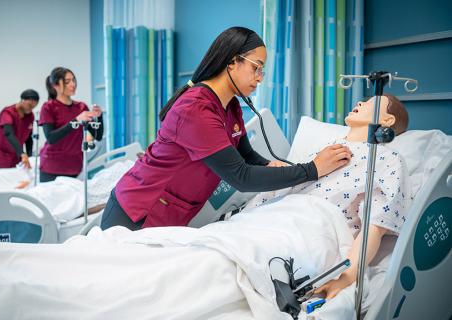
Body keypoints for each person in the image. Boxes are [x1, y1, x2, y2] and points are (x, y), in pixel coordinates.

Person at [101, 27, 352, 230]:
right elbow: (240, 176)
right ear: (232, 62)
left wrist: (268, 166)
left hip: (172, 212)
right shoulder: (195, 109)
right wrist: (312, 170)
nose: (260, 77)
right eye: (256, 67)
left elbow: (247, 155)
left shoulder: (230, 106)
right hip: (136, 214)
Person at [246, 94, 411, 299]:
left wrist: (348, 276)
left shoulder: (387, 159)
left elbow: (375, 225)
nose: (359, 102)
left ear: (387, 121)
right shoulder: (324, 150)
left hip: (311, 228)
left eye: (370, 103)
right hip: (267, 218)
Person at [39, 67, 104, 182]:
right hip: (52, 168)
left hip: (75, 167)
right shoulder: (48, 107)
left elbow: (97, 136)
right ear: (56, 86)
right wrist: (76, 121)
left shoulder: (81, 107)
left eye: (73, 80)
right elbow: (51, 138)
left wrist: (99, 117)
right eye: (67, 82)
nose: (73, 84)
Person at [0, 89, 39, 170]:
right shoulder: (8, 113)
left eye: (34, 106)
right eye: (29, 105)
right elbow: (8, 133)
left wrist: (30, 156)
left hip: (14, 158)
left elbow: (28, 138)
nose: (31, 108)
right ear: (22, 100)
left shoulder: (30, 116)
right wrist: (22, 153)